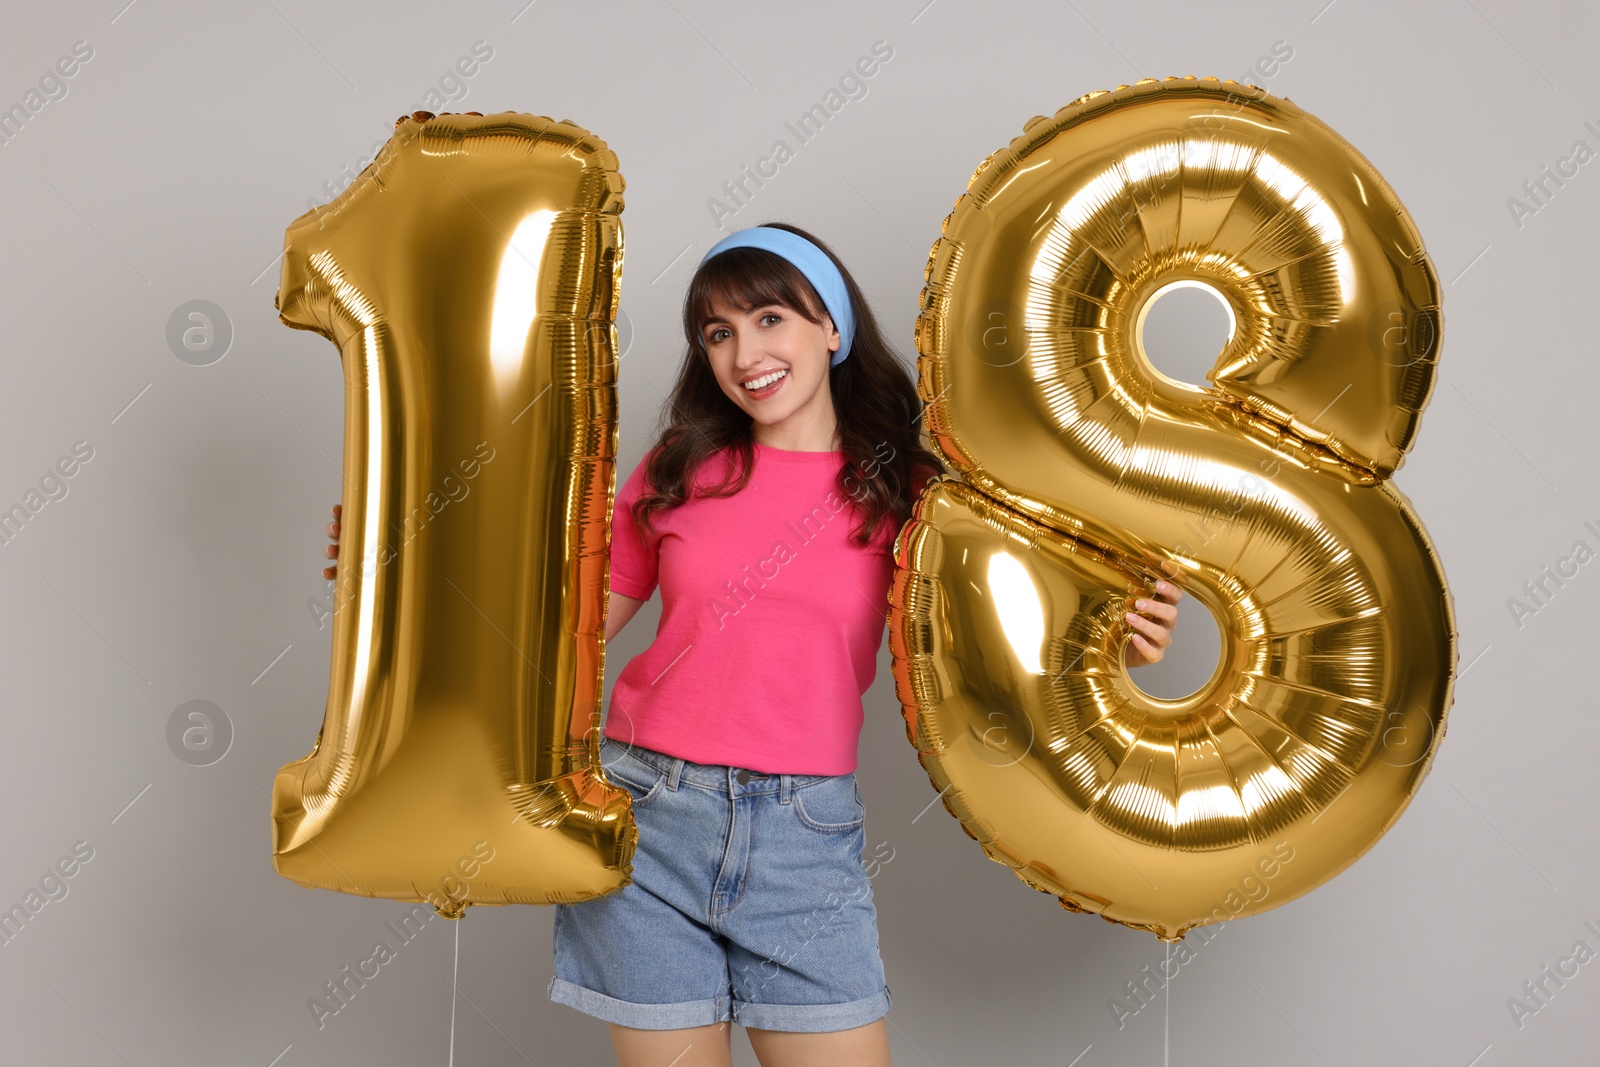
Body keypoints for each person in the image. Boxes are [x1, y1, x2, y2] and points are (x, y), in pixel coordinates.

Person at [320, 222, 1181, 1066]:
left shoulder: (912, 496)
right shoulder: (677, 471)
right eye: (718, 332)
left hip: (804, 837)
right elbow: (552, 638)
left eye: (771, 318)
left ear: (832, 328)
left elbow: (996, 649)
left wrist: (1114, 643)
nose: (743, 353)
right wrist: (404, 573)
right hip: (646, 816)